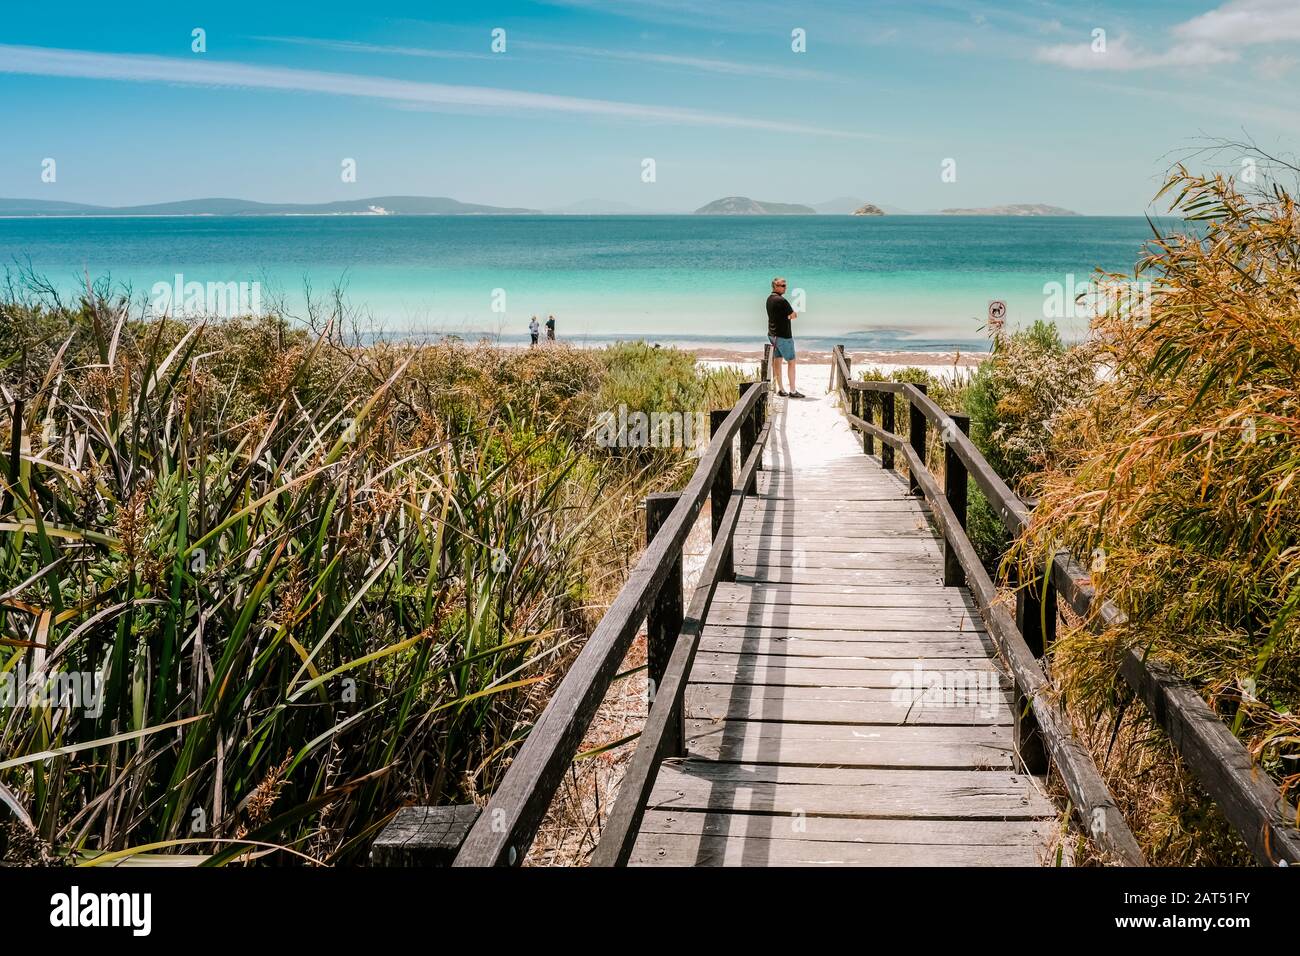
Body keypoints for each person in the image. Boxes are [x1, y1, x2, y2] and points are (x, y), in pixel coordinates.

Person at [766, 277, 804, 398]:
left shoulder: (769, 299)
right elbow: (793, 315)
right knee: (791, 362)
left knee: (777, 360)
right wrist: (789, 316)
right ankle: (792, 391)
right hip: (783, 336)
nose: (785, 288)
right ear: (775, 286)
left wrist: (786, 316)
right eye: (782, 286)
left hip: (772, 334)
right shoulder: (781, 300)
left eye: (785, 285)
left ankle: (781, 389)